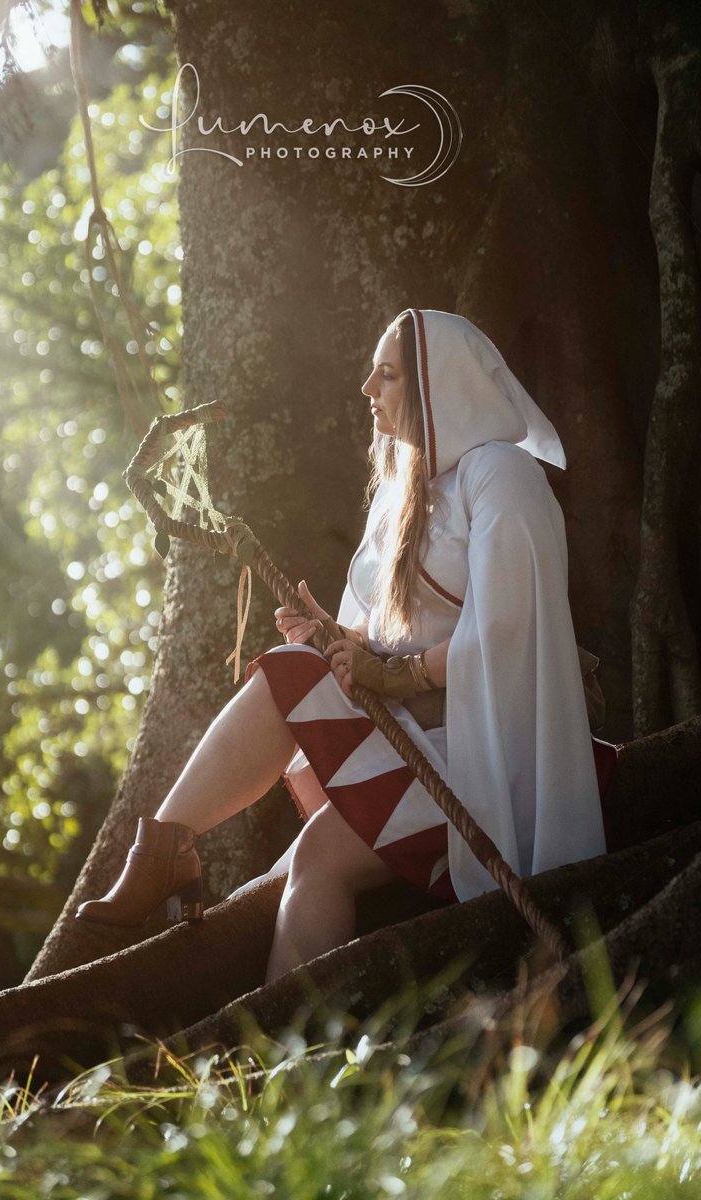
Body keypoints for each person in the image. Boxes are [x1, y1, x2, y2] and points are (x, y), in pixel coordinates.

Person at [76, 308, 610, 985]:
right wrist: (330, 635)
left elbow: (508, 634)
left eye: (387, 375)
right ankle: (278, 1039)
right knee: (315, 843)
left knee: (305, 775)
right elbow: (381, 644)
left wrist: (393, 677)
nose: (367, 389)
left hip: (494, 763)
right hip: (429, 746)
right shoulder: (402, 497)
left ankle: (165, 848)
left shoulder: (502, 475)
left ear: (437, 385)